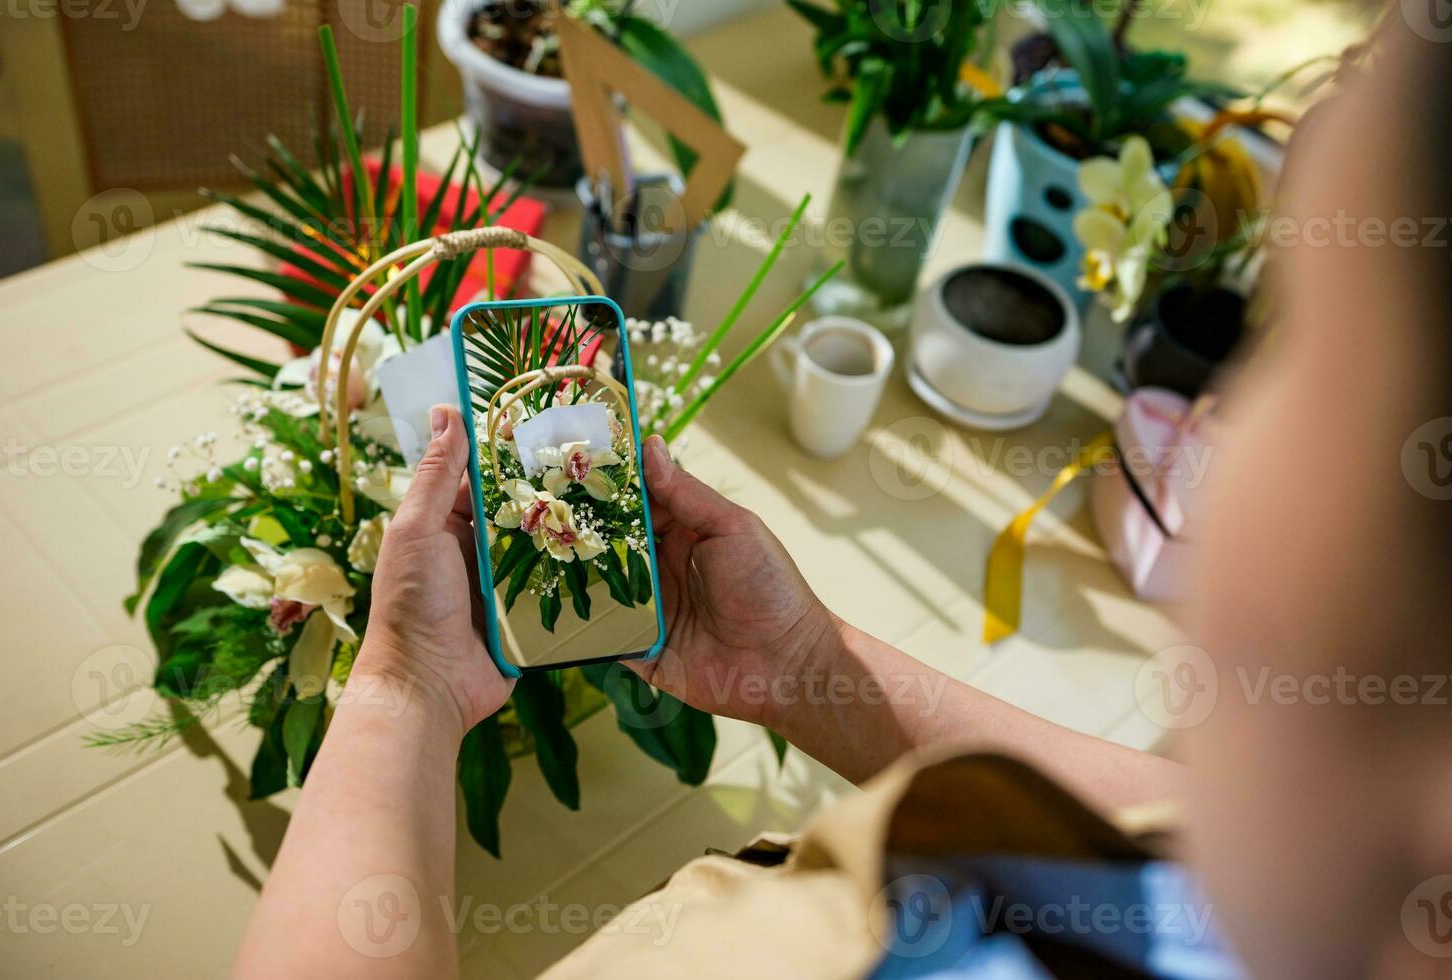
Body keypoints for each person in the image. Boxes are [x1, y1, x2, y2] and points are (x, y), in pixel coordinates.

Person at [233, 18, 1452, 979]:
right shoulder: (1324, 892)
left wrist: (401, 690)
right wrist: (803, 663)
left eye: (1290, 356)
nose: (1206, 426)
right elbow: (1157, 832)